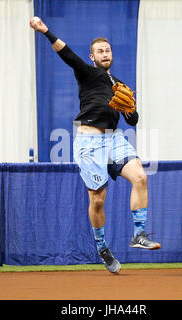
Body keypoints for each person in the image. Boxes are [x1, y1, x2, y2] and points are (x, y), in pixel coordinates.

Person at [30, 17, 161, 275]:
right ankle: (102, 247)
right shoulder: (88, 73)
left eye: (108, 50)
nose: (105, 53)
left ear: (112, 55)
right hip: (89, 142)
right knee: (98, 201)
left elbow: (133, 120)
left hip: (113, 139)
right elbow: (68, 55)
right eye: (100, 51)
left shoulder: (119, 85)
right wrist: (46, 31)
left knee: (141, 177)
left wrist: (131, 108)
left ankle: (139, 234)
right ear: (92, 57)